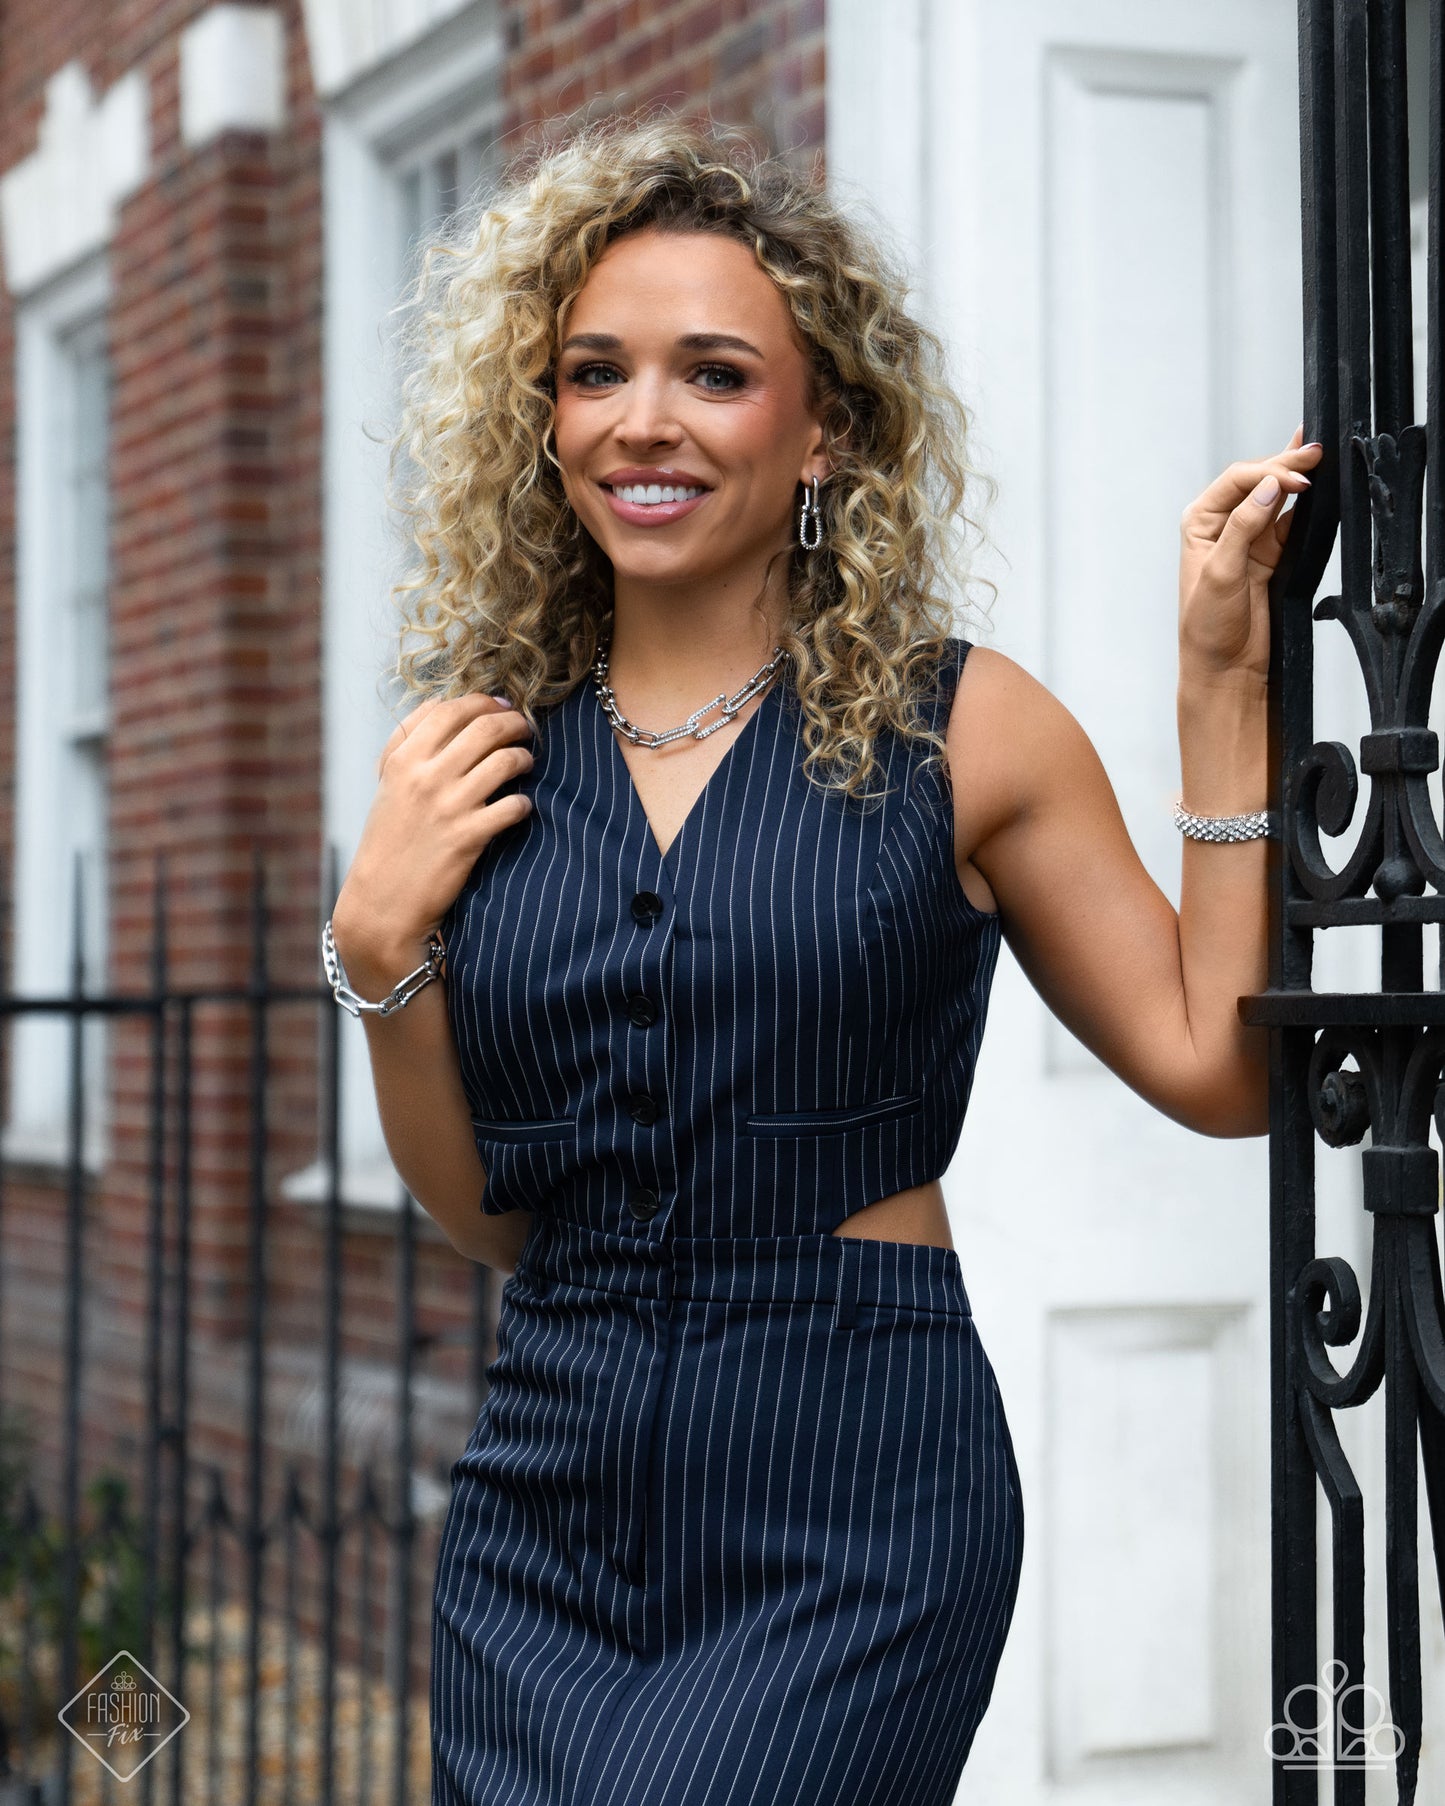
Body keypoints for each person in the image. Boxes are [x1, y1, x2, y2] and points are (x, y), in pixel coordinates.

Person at [326, 115, 1323, 1806]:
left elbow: (1219, 1068)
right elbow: (493, 1215)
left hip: (851, 1490)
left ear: (825, 431)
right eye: (593, 373)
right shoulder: (477, 756)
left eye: (713, 374)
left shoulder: (964, 726)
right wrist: (375, 949)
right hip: (543, 1498)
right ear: (542, 421)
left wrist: (1220, 684)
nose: (641, 420)